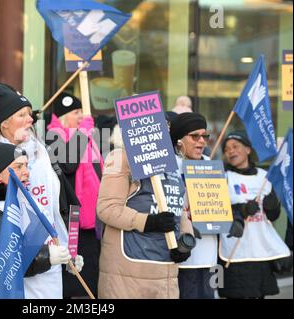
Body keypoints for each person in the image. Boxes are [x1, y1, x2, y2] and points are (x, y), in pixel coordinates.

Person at [0, 141, 83, 299]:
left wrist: (66, 255)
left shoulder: (25, 200)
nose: (26, 172)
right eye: (18, 167)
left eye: (26, 166)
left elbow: (44, 239)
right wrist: (48, 256)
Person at [0, 83, 74, 298]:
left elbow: (55, 206)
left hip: (53, 257)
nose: (31, 119)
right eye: (21, 115)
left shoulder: (42, 152)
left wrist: (68, 247)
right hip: (25, 261)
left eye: (30, 114)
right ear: (5, 123)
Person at [96, 122, 194, 299]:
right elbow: (107, 208)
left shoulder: (173, 163)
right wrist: (148, 222)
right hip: (128, 273)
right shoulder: (121, 157)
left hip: (166, 273)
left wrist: (185, 242)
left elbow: (181, 210)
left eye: (166, 127)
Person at [218, 131, 290, 299]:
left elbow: (272, 217)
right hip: (235, 252)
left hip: (260, 250)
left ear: (248, 150)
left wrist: (273, 207)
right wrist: (241, 209)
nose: (231, 151)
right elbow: (216, 209)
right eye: (227, 149)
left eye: (235, 146)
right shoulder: (224, 177)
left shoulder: (264, 176)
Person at [46, 92, 102, 298]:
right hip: (70, 219)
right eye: (76, 112)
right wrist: (83, 133)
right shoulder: (53, 136)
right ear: (63, 116)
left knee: (89, 276)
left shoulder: (85, 137)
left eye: (82, 112)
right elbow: (68, 164)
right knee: (74, 281)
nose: (81, 117)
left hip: (90, 220)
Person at [169, 112, 217, 299]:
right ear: (179, 139)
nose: (201, 141)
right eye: (194, 136)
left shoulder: (211, 165)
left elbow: (222, 203)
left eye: (204, 135)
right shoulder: (169, 166)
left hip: (208, 254)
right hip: (180, 256)